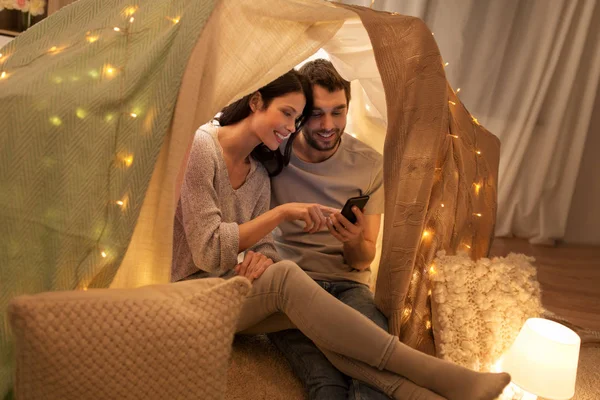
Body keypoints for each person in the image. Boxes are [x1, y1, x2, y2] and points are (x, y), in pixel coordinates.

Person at [171, 69, 511, 400]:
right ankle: (435, 372)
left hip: (234, 288)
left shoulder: (260, 172)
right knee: (288, 276)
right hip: (190, 297)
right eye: (289, 114)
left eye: (296, 118)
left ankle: (422, 392)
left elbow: (263, 245)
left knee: (335, 340)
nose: (291, 128)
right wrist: (282, 213)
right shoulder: (202, 146)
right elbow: (209, 251)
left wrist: (265, 256)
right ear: (257, 101)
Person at [268, 59, 389, 400]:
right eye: (317, 113)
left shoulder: (370, 165)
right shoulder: (274, 154)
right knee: (327, 384)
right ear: (300, 111)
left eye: (338, 112)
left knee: (375, 374)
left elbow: (364, 259)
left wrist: (352, 242)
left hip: (348, 286)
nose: (327, 125)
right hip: (289, 287)